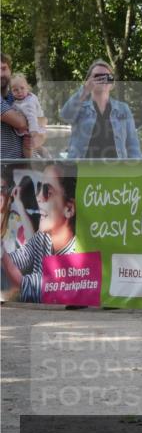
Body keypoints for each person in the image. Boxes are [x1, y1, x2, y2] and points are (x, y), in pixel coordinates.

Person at [1, 162, 77, 303]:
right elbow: (17, 260)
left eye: (47, 191)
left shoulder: (76, 254)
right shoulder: (44, 237)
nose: (39, 197)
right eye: (38, 188)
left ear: (69, 209)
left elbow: (26, 285)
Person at [60, 60, 141, 159]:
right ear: (88, 80)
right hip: (82, 169)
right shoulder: (80, 107)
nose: (103, 80)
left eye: (107, 77)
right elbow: (65, 116)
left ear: (112, 82)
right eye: (97, 76)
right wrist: (84, 90)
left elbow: (133, 145)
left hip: (116, 170)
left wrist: (134, 169)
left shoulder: (123, 109)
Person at [8, 74, 45, 158]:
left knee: (26, 145)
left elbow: (32, 117)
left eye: (22, 88)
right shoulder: (22, 100)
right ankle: (45, 154)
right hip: (32, 125)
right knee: (35, 146)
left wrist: (33, 132)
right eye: (15, 90)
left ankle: (31, 162)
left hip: (33, 128)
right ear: (11, 92)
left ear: (27, 88)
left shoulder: (28, 102)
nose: (19, 91)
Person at [1, 53, 28, 161]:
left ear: (10, 70)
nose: (0, 74)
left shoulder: (16, 95)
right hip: (3, 168)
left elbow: (41, 122)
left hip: (19, 168)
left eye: (3, 68)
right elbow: (21, 123)